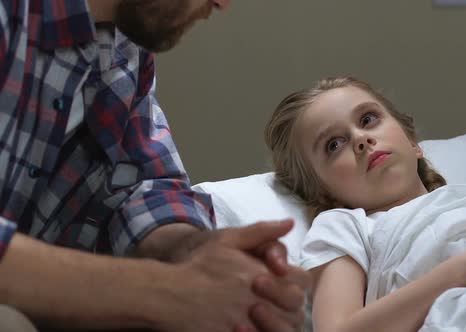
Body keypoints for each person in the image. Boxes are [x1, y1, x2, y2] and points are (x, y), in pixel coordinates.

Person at [0, 1, 310, 331]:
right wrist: (163, 291)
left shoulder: (126, 55)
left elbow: (139, 187)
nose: (223, 4)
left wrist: (199, 256)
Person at [264, 76, 466, 332]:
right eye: (334, 144)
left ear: (412, 143)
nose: (360, 139)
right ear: (324, 192)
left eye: (368, 119)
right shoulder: (347, 225)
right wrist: (459, 272)